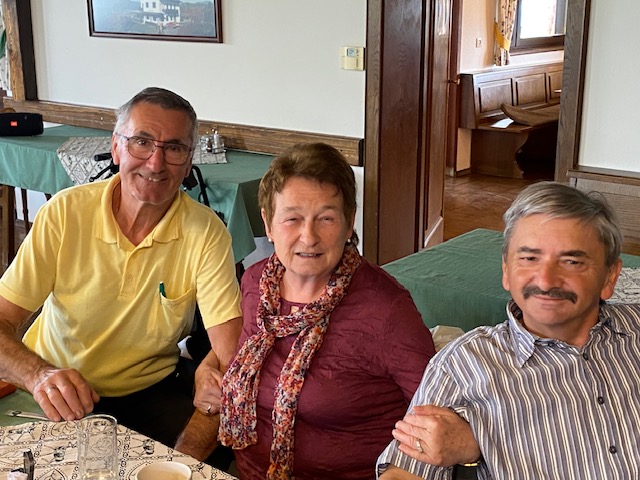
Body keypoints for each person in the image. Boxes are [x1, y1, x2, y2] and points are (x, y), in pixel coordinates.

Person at [175, 142, 437, 478]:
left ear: (349, 223)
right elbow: (240, 357)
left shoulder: (386, 310)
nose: (309, 237)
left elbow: (435, 420)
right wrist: (206, 373)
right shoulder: (257, 283)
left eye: (326, 218)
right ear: (268, 224)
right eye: (292, 218)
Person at [0, 87, 242, 447]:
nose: (156, 164)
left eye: (174, 148)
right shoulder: (64, 213)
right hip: (56, 383)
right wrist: (38, 375)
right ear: (116, 147)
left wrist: (184, 458)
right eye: (141, 142)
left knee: (204, 457)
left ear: (189, 161)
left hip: (152, 391)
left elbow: (231, 352)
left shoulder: (206, 232)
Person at [376, 181, 640, 479]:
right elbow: (404, 472)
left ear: (610, 277)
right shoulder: (464, 364)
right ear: (506, 270)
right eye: (529, 258)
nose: (546, 280)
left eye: (571, 261)